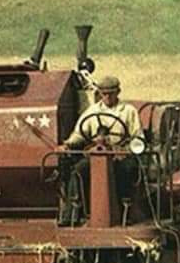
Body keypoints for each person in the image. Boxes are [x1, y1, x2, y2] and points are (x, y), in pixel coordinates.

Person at [59, 76, 143, 224]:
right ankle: (73, 213)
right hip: (97, 155)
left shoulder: (128, 111)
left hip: (120, 154)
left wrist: (125, 150)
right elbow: (79, 134)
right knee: (78, 171)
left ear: (118, 92)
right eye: (104, 93)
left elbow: (138, 137)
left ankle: (126, 211)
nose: (107, 97)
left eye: (111, 93)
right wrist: (68, 144)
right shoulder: (92, 111)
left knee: (127, 169)